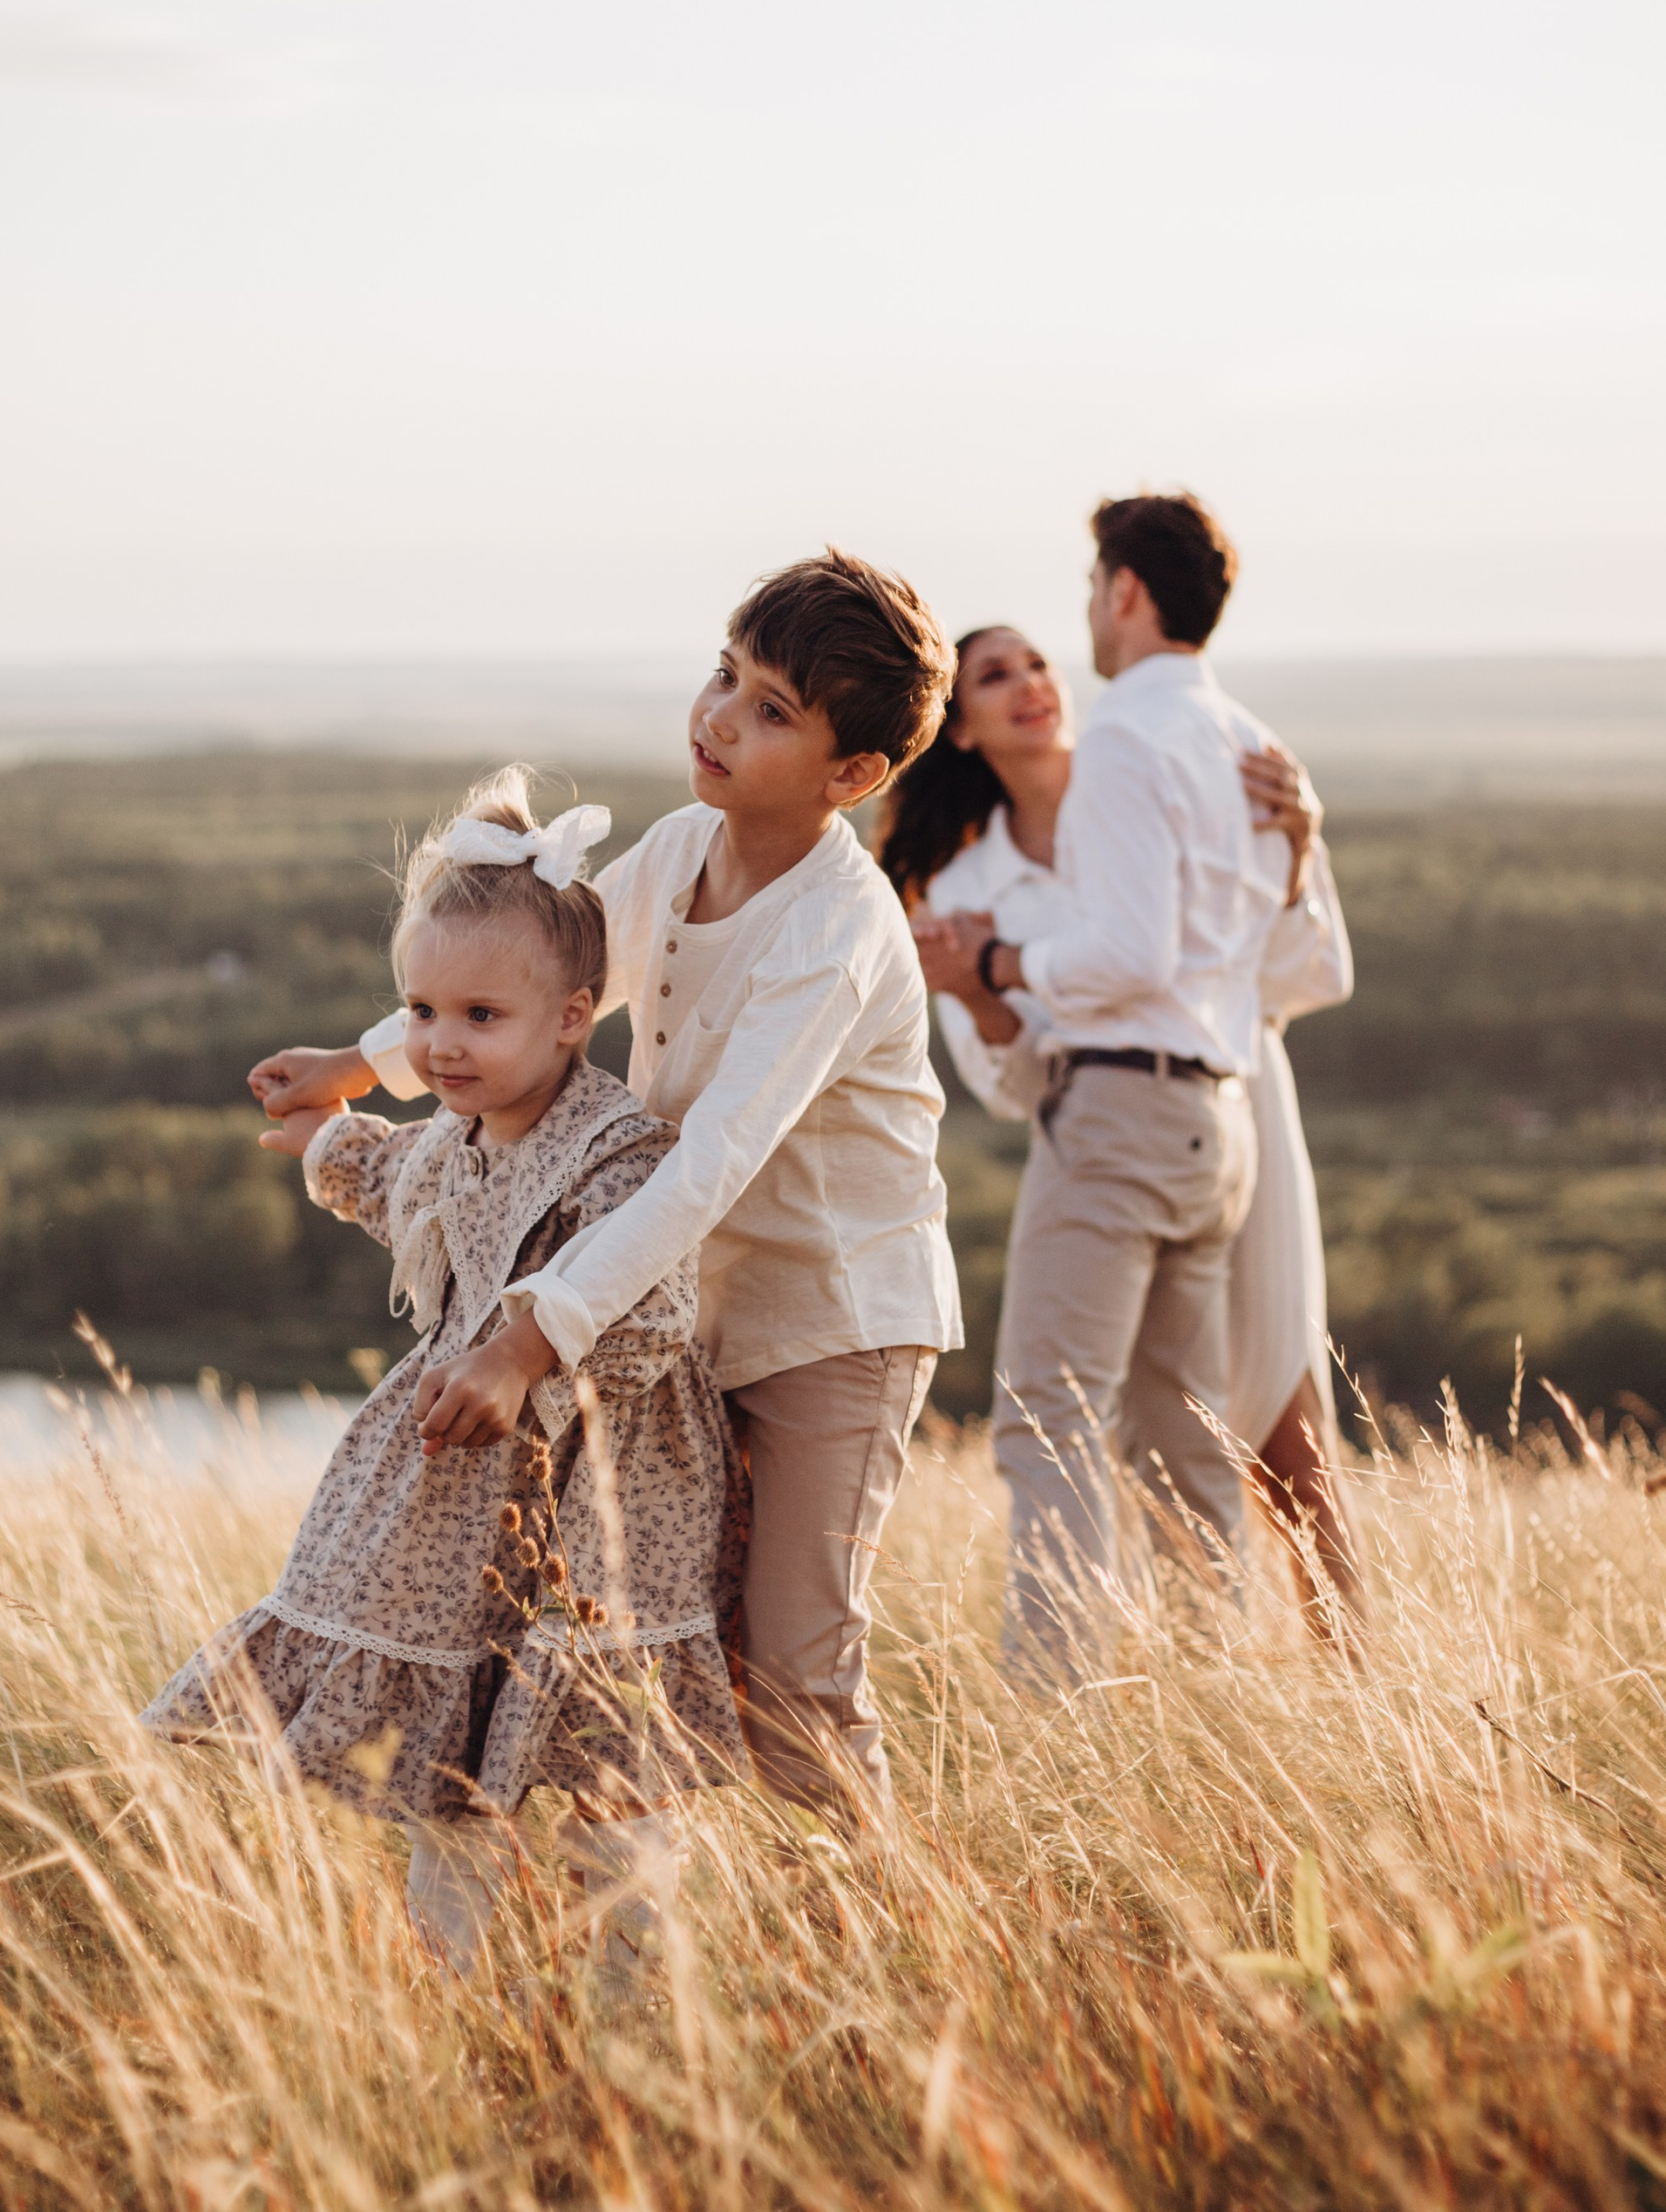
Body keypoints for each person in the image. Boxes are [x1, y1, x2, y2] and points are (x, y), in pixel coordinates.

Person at [248, 552, 961, 1830]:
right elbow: (534, 982)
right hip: (671, 1313)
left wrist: (526, 1340)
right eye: (725, 677)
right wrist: (359, 1066)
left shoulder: (833, 936)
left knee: (796, 1669)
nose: (719, 716)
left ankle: (878, 1960)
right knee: (674, 1644)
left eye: (771, 710)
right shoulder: (687, 847)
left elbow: (710, 1167)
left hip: (833, 1325)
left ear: (854, 775)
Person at [144, 771, 747, 1989]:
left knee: (606, 1773)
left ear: (574, 1018)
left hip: (598, 1506)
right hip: (463, 1507)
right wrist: (325, 1139)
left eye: (479, 1016)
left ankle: (640, 2021)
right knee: (454, 1757)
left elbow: (654, 1316)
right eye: (420, 1009)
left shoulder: (617, 1151)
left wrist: (523, 1350)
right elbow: (395, 1183)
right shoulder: (466, 1136)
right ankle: (462, 1997)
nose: (438, 1044)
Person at [884, 622, 1364, 1644]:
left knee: (1283, 1413)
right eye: (993, 677)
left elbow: (1309, 976)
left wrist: (1296, 853)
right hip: (1102, 1126)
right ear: (959, 728)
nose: (1027, 686)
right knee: (1170, 1422)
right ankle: (1204, 1667)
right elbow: (1009, 1081)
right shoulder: (966, 889)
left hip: (1238, 1106)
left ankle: (1350, 1664)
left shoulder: (1157, 787)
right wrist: (985, 986)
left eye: (1034, 664)